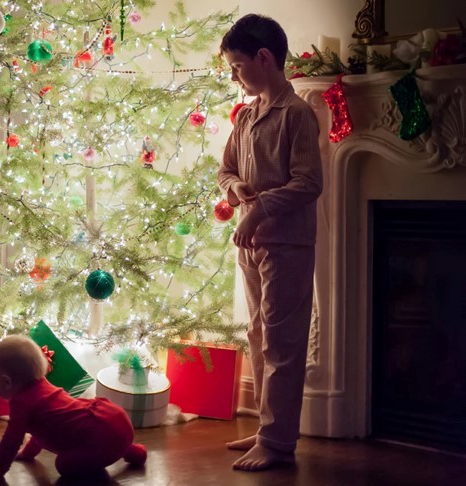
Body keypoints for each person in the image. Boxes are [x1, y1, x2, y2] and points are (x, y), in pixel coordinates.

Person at [217, 14, 323, 472]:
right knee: (259, 335)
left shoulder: (296, 115)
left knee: (282, 341)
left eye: (238, 66)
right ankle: (267, 427)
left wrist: (259, 209)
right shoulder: (247, 114)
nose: (234, 75)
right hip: (252, 246)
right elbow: (225, 170)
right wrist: (235, 189)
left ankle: (279, 442)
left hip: (287, 245)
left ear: (264, 58)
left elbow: (308, 183)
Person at [0, 335, 147, 480]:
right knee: (115, 440)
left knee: (64, 465)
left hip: (100, 436)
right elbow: (41, 427)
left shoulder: (21, 403)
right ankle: (132, 451)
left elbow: (11, 441)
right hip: (115, 418)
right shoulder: (41, 385)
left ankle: (116, 454)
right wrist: (28, 454)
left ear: (7, 381)